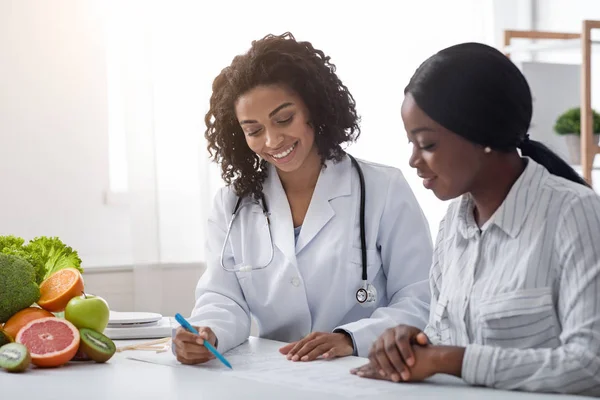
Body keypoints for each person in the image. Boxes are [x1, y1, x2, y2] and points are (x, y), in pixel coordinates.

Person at [352, 42, 600, 396]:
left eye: (427, 144)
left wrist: (449, 359)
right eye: (411, 142)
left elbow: (589, 366)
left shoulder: (575, 214)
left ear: (482, 133)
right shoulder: (453, 223)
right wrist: (417, 344)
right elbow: (448, 337)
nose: (413, 160)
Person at [172, 32, 433, 365]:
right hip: (277, 376)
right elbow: (223, 300)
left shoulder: (383, 188)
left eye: (284, 119)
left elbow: (420, 299)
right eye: (253, 130)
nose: (272, 139)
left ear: (314, 107)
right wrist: (206, 333)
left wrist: (350, 339)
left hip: (364, 372)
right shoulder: (232, 204)